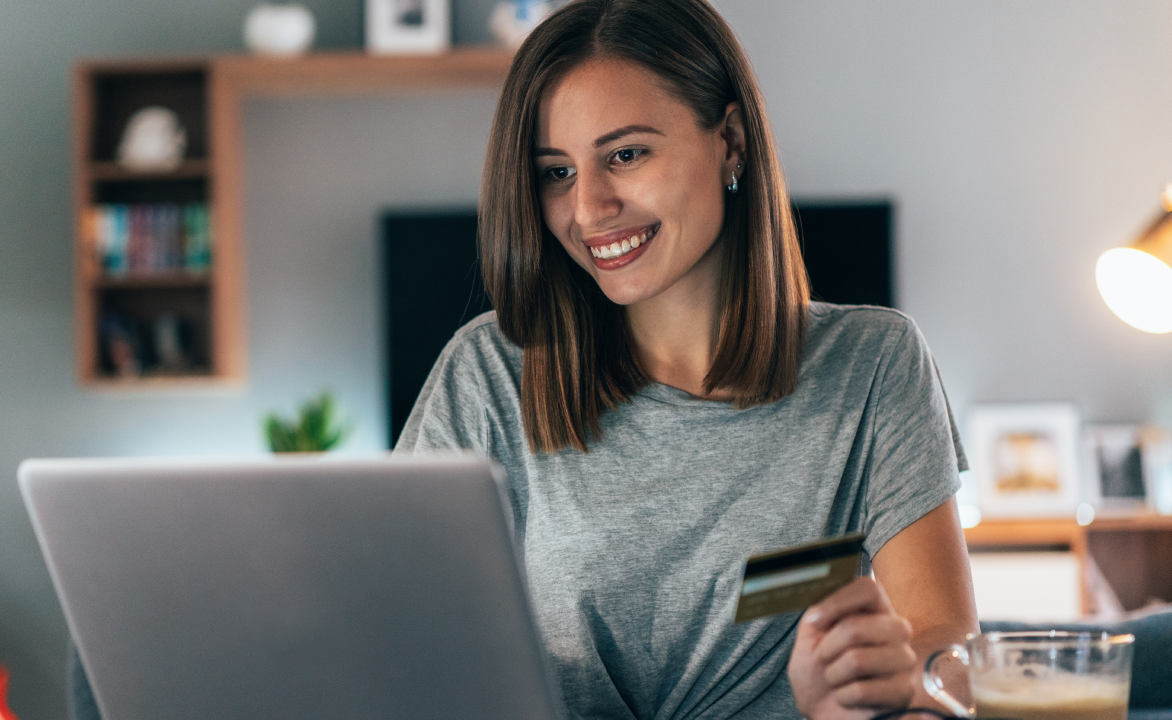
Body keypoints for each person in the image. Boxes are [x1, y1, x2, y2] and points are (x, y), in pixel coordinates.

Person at [394, 0, 978, 718]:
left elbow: (947, 651)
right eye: (557, 172)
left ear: (729, 141)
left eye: (626, 155)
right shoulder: (484, 376)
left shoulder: (874, 365)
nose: (589, 208)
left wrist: (885, 690)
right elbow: (396, 644)